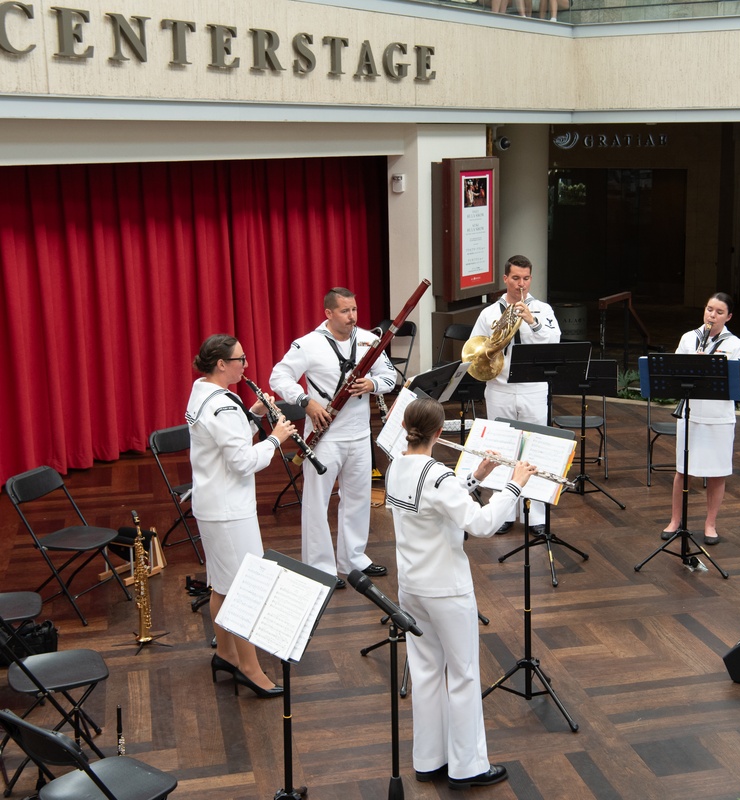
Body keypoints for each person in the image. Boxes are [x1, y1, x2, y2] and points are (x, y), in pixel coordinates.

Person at [385, 397, 536, 790]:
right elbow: (482, 524)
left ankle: (429, 760)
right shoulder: (438, 475)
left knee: (427, 671)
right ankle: (468, 767)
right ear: (440, 433)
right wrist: (513, 486)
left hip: (412, 587)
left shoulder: (394, 466)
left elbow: (431, 506)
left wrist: (473, 477)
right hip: (447, 590)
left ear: (406, 427)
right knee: (465, 674)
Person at [186, 334, 295, 698]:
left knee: (221, 583)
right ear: (221, 364)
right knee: (246, 588)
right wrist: (276, 438)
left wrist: (256, 415)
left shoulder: (202, 392)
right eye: (241, 359)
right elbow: (242, 461)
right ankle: (251, 669)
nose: (246, 366)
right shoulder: (223, 406)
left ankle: (227, 654)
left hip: (212, 505)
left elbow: (227, 440)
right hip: (230, 511)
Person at [270, 287, 396, 588]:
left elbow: (391, 377)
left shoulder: (369, 340)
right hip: (324, 435)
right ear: (328, 313)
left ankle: (352, 558)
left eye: (354, 309)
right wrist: (305, 402)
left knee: (357, 498)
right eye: (344, 311)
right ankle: (320, 566)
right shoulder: (308, 344)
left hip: (359, 433)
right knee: (317, 502)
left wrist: (372, 383)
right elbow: (279, 376)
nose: (352, 316)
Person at [469, 254, 561, 533]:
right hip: (500, 387)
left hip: (534, 388)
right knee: (502, 450)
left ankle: (537, 516)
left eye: (526, 278)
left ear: (530, 279)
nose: (521, 284)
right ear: (505, 279)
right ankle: (505, 513)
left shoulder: (542, 309)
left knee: (536, 451)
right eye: (515, 278)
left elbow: (554, 340)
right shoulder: (489, 313)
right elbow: (476, 349)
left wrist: (532, 321)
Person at [661, 293, 740, 547]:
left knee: (718, 473)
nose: (712, 315)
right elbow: (673, 371)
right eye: (709, 309)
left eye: (719, 312)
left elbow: (739, 382)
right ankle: (675, 520)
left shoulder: (735, 344)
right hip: (691, 413)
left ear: (728, 316)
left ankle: (710, 524)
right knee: (682, 471)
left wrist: (709, 368)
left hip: (719, 416)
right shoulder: (690, 338)